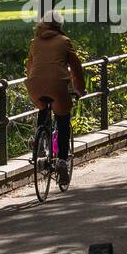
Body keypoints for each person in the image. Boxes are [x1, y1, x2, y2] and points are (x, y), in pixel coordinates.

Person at [25, 9, 86, 186]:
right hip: (57, 86)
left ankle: (40, 144)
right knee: (63, 119)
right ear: (59, 25)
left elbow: (30, 66)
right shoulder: (64, 41)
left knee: (43, 107)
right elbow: (76, 69)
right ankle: (61, 161)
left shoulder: (34, 42)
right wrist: (80, 89)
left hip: (35, 86)